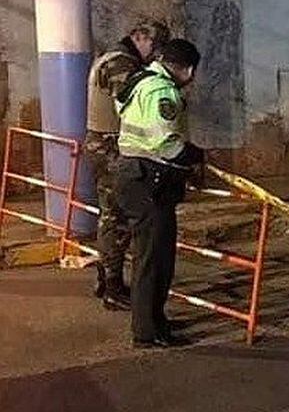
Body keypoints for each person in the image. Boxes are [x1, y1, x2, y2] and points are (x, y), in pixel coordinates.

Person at [114, 38, 204, 348]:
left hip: (134, 175)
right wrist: (192, 156)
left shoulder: (139, 81)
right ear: (188, 69)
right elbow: (165, 143)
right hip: (148, 179)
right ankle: (148, 331)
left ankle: (153, 319)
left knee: (148, 257)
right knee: (155, 260)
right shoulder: (162, 91)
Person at [86, 20, 171, 310]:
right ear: (140, 37)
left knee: (110, 215)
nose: (156, 55)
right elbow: (132, 107)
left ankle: (105, 278)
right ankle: (112, 286)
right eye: (155, 47)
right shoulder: (122, 64)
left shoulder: (110, 57)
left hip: (105, 144)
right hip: (111, 148)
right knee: (117, 217)